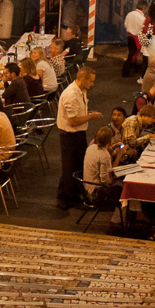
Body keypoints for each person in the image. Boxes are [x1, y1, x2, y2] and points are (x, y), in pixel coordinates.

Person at [56, 66, 102, 210]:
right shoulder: (71, 94)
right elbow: (73, 121)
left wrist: (87, 113)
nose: (92, 84)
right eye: (90, 81)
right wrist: (90, 116)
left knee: (76, 165)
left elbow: (78, 113)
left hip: (78, 133)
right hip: (70, 135)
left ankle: (68, 194)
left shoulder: (81, 91)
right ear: (82, 79)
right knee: (70, 166)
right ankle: (68, 198)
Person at [82, 126, 122, 203]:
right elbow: (105, 181)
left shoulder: (91, 148)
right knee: (121, 188)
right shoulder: (104, 155)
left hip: (87, 189)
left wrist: (111, 149)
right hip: (96, 193)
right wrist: (118, 156)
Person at [122, 0, 148, 78]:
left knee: (132, 53)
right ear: (144, 8)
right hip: (136, 37)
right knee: (133, 54)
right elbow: (143, 29)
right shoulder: (142, 18)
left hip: (129, 36)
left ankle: (131, 69)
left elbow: (125, 24)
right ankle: (125, 71)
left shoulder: (129, 14)